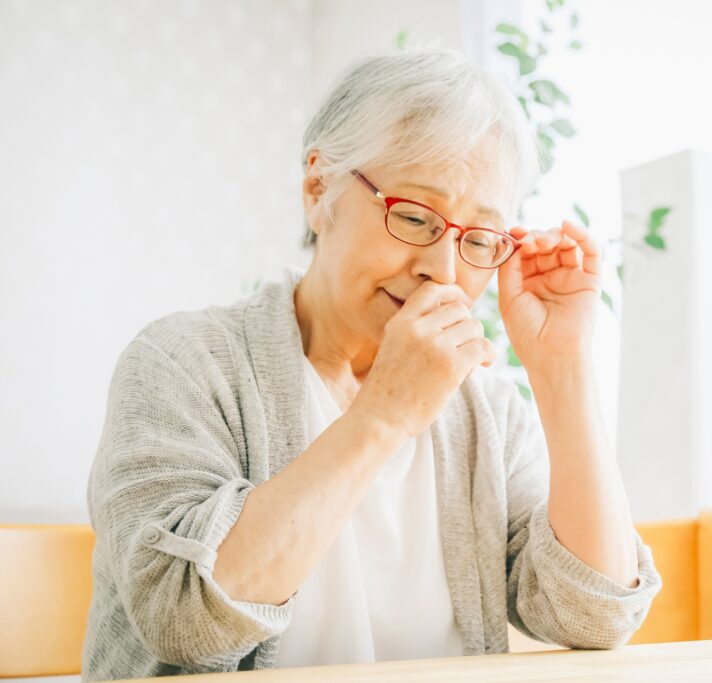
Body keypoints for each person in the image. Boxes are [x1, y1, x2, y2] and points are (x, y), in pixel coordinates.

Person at [82, 47, 660, 681]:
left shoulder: (487, 413)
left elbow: (593, 615)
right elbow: (182, 619)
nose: (442, 270)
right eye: (413, 216)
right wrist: (384, 414)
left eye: (478, 239)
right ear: (317, 190)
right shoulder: (184, 364)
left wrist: (562, 367)